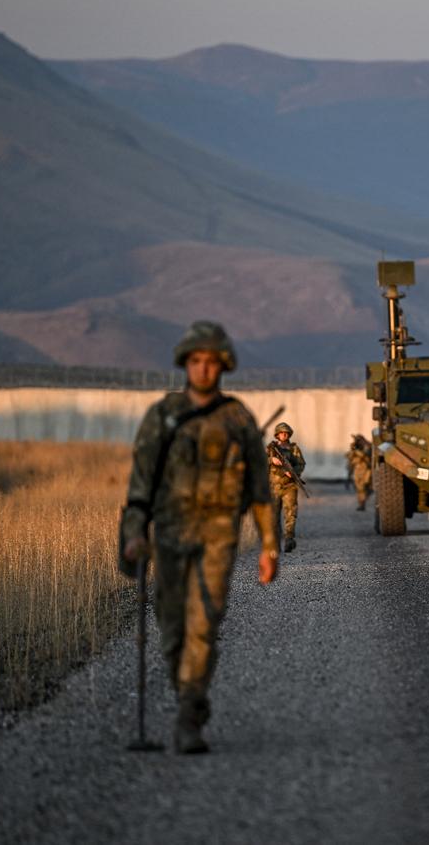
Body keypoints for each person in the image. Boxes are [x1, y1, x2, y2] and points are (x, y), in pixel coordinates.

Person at [118, 321, 279, 754]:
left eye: (211, 362)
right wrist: (133, 536)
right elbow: (140, 486)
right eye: (196, 361)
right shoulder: (163, 415)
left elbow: (260, 490)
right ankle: (190, 694)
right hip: (169, 535)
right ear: (185, 364)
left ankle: (189, 715)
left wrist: (269, 545)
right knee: (172, 628)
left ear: (223, 365)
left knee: (203, 624)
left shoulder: (237, 418)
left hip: (218, 536)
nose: (204, 370)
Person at [267, 422, 306, 553]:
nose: (284, 435)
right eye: (281, 433)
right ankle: (274, 542)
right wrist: (271, 460)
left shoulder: (294, 448)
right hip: (274, 487)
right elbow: (260, 462)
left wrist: (293, 471)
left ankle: (289, 539)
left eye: (286, 433)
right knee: (273, 515)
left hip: (289, 486)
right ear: (277, 434)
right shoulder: (271, 448)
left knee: (290, 513)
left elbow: (301, 464)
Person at [346, 434, 373, 511]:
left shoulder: (368, 447)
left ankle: (363, 500)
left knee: (368, 487)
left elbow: (366, 456)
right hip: (357, 470)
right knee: (359, 488)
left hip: (366, 471)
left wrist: (360, 450)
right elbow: (349, 458)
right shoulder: (355, 448)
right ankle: (362, 504)